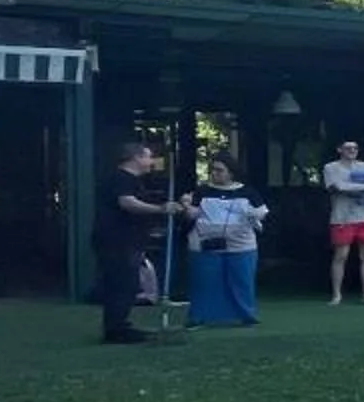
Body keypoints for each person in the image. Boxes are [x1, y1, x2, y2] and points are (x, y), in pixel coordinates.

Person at [93, 141, 170, 345]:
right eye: (147, 156)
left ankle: (118, 325)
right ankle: (117, 329)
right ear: (136, 158)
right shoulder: (123, 179)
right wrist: (160, 209)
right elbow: (127, 202)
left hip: (123, 240)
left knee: (125, 284)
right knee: (122, 284)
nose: (150, 161)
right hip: (118, 241)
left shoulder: (127, 180)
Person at [182, 158, 268, 327]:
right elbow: (192, 215)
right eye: (213, 170)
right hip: (205, 241)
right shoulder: (202, 191)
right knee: (204, 281)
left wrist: (252, 215)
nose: (215, 173)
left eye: (219, 170)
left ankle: (246, 314)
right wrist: (185, 205)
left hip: (240, 243)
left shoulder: (248, 192)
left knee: (241, 280)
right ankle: (199, 316)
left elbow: (262, 212)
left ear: (231, 172)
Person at [321, 140, 364, 305]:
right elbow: (338, 187)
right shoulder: (331, 168)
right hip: (342, 217)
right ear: (339, 150)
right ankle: (337, 295)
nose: (352, 150)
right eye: (348, 148)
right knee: (341, 255)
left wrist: (354, 186)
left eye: (355, 148)